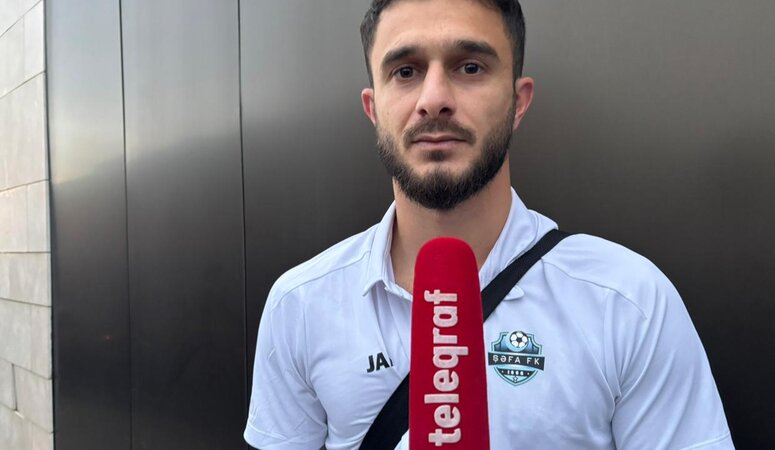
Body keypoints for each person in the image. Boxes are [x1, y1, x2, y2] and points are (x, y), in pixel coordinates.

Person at [244, 0, 733, 448]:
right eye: (406, 71)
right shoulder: (301, 305)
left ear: (518, 102)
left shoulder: (627, 301)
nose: (434, 99)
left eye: (470, 67)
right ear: (374, 109)